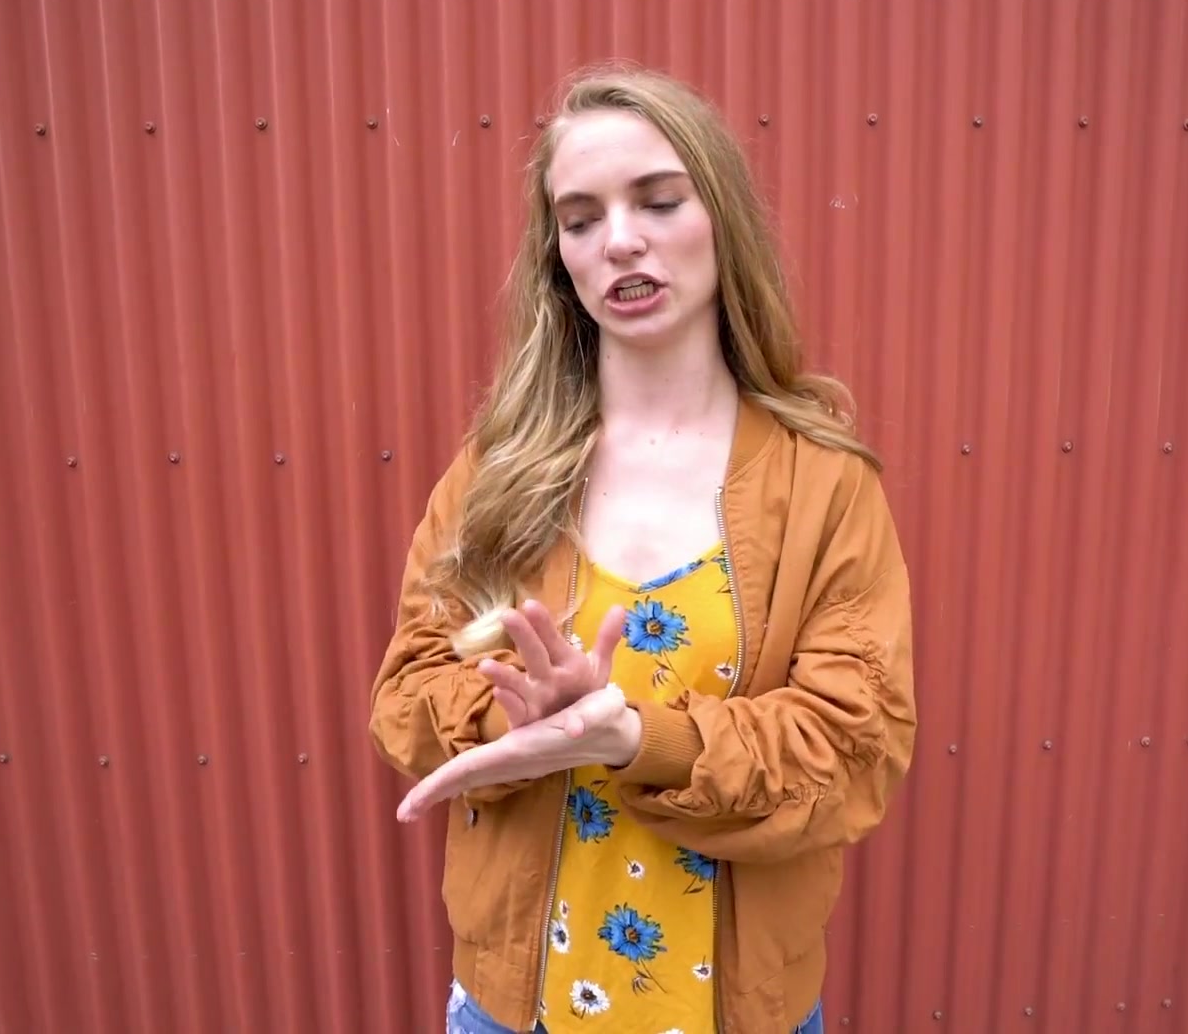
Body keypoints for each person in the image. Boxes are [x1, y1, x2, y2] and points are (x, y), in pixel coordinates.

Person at [367, 61, 916, 1034]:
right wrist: (513, 722)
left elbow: (853, 749)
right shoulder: (499, 473)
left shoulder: (825, 485)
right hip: (512, 1014)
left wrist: (632, 739)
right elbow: (408, 689)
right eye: (580, 219)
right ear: (560, 260)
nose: (620, 239)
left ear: (722, 221)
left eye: (659, 201)